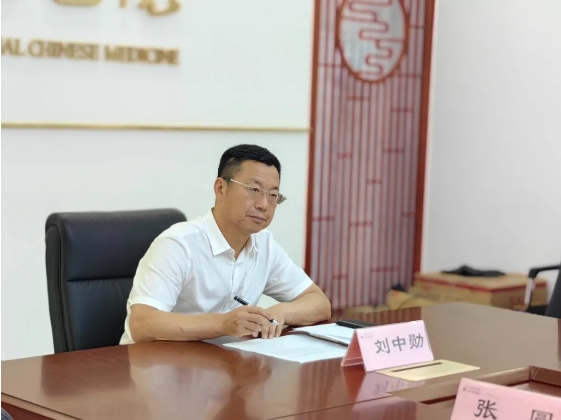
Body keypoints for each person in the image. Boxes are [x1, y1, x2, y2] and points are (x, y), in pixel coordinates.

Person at [120, 144, 331, 344]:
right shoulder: (178, 244)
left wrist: (278, 313)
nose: (263, 205)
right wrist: (223, 324)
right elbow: (142, 324)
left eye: (273, 195)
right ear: (221, 188)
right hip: (152, 362)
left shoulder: (264, 244)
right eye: (254, 190)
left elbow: (319, 303)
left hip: (221, 362)